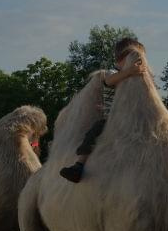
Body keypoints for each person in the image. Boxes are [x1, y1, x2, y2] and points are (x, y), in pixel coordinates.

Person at [60, 38, 147, 183]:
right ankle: (79, 165)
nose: (138, 62)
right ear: (121, 59)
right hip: (112, 120)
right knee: (95, 131)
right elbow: (109, 81)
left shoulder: (136, 77)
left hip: (132, 119)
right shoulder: (111, 73)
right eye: (133, 57)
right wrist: (130, 71)